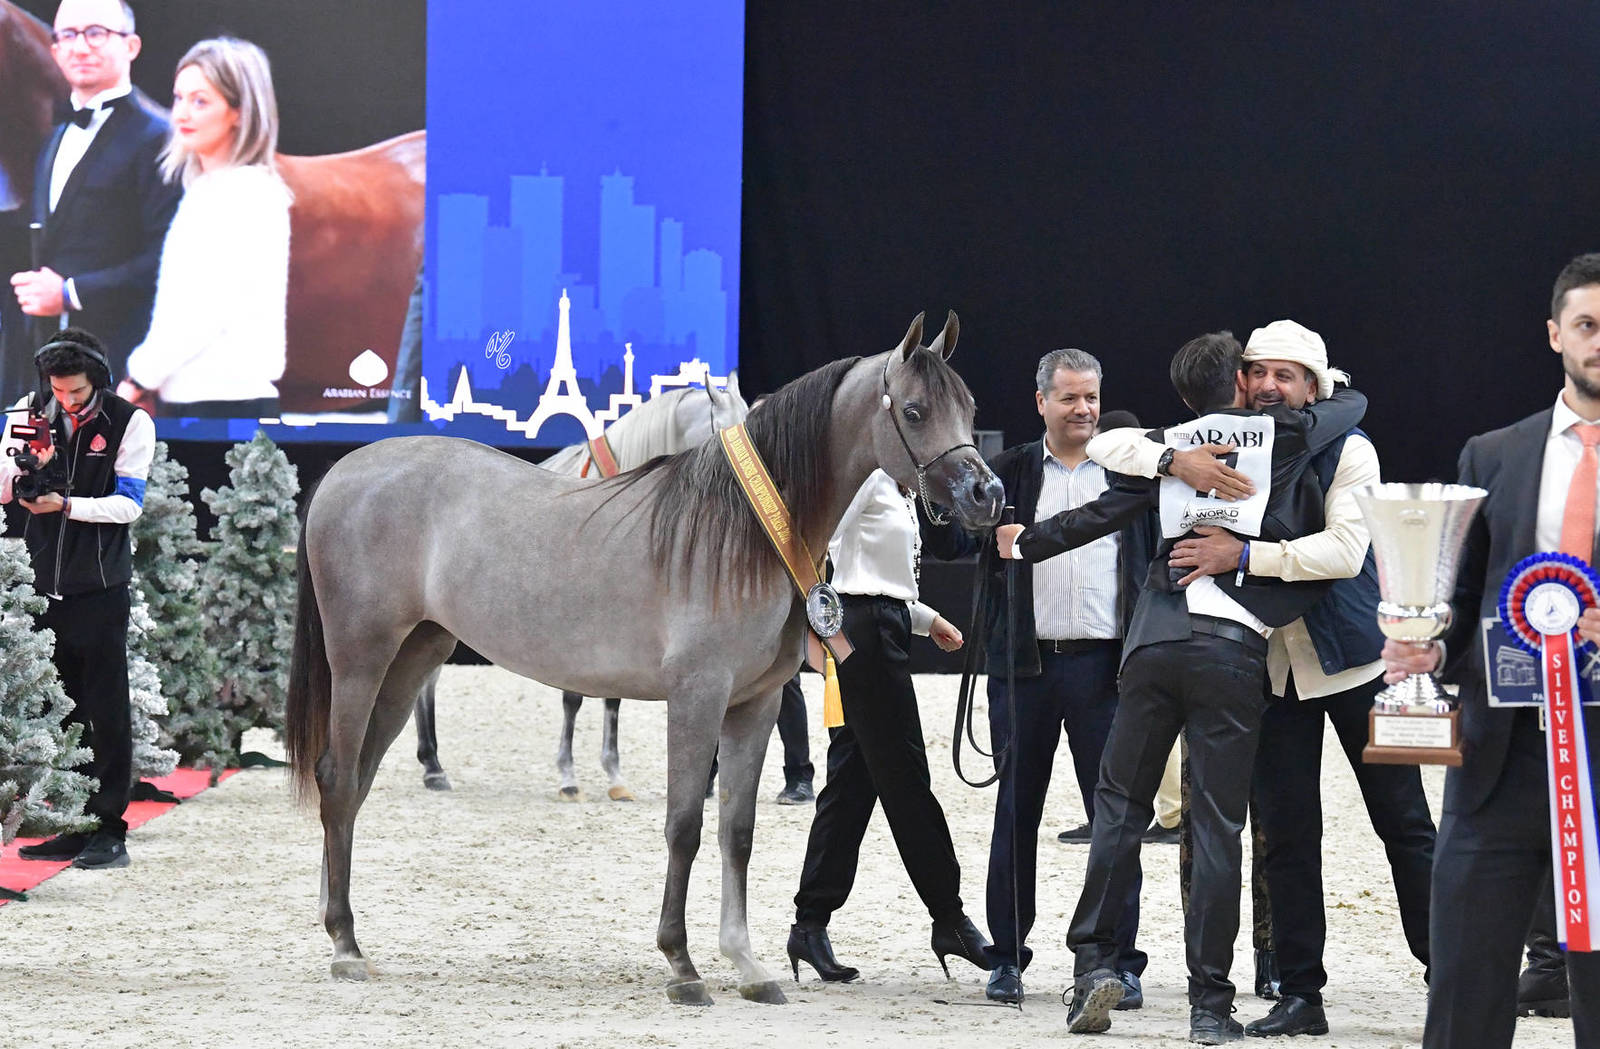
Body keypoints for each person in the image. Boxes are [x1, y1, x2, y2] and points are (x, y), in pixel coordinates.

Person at [996, 331, 1365, 1043]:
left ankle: (1094, 963)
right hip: (1230, 649)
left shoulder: (1172, 444)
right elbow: (1342, 414)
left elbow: (1096, 513)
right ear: (1240, 383)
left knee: (1119, 809)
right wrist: (1346, 390)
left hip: (1154, 639)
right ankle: (1209, 1005)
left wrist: (1026, 541)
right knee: (1217, 826)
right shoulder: (1282, 437)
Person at [1091, 319, 1437, 1037]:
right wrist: (1171, 460)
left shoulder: (1352, 447)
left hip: (1357, 660)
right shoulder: (1225, 441)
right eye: (1261, 373)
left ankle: (1449, 971)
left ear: (1315, 384)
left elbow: (1344, 551)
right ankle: (1300, 993)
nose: (1272, 385)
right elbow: (1109, 444)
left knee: (1404, 824)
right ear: (1243, 381)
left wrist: (1241, 558)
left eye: (1288, 374)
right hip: (1270, 668)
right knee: (1285, 832)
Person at [1381, 251, 1600, 1049]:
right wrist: (1425, 650)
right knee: (1468, 982)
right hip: (1497, 758)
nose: (1599, 340)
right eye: (1587, 324)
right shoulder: (1493, 455)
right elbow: (1463, 604)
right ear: (1554, 335)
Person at [922, 350, 1154, 1007]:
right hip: (1023, 667)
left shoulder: (1128, 469)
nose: (1084, 408)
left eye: (1092, 396)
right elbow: (950, 544)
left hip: (1107, 668)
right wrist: (927, 491)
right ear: (1041, 401)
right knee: (1015, 813)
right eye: (1071, 397)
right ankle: (1006, 957)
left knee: (1115, 819)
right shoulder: (1012, 471)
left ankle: (1115, 958)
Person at [788, 468, 988, 983]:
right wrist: (821, 630)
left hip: (887, 625)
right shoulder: (863, 482)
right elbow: (817, 555)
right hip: (864, 633)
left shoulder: (902, 490)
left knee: (853, 785)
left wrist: (926, 620)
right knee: (906, 781)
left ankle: (809, 923)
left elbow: (886, 583)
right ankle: (949, 917)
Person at [1, 327, 153, 870]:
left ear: (99, 381)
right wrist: (23, 467)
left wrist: (65, 505)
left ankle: (110, 829)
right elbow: (3, 491)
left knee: (106, 711)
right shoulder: (28, 410)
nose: (66, 402)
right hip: (40, 589)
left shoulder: (131, 421)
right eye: (58, 391)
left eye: (77, 393)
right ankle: (72, 823)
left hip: (101, 587)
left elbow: (129, 505)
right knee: (59, 712)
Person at [2, 0, 180, 406]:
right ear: (54, 50)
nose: (80, 47)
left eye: (96, 33)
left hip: (121, 370)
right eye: (67, 35)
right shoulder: (55, 137)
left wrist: (69, 292)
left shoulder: (160, 137)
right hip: (51, 367)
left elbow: (169, 259)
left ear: (131, 46)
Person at [116, 37, 290, 419]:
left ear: (240, 112)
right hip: (192, 401)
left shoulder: (248, 193)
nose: (181, 114)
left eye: (200, 101)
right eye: (179, 98)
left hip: (227, 406)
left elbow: (204, 311)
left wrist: (137, 379)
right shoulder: (205, 190)